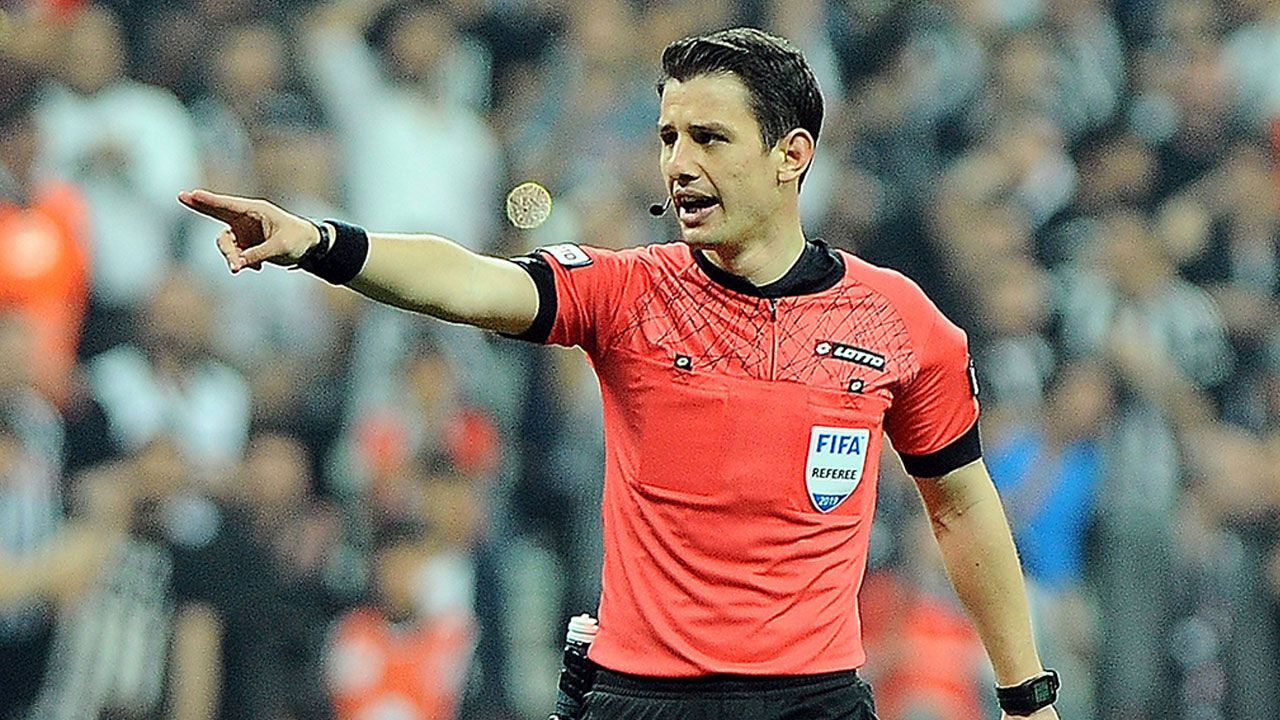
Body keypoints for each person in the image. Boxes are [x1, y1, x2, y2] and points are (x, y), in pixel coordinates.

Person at [180, 27, 1060, 720]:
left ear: (791, 154)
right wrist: (320, 241)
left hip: (812, 700)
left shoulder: (899, 321)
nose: (679, 164)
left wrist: (1027, 697)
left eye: (709, 138)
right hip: (640, 698)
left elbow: (961, 506)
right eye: (668, 137)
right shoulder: (630, 292)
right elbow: (471, 282)